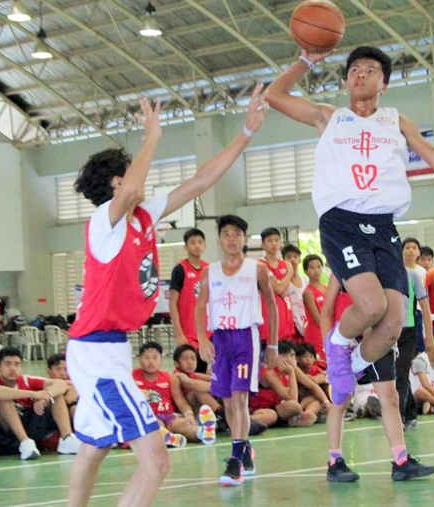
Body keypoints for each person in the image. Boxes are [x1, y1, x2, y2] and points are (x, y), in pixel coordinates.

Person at [265, 45, 434, 404]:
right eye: (355, 69)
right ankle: (338, 345)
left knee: (392, 326)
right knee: (372, 306)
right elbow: (274, 95)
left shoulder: (395, 121)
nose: (361, 74)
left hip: (382, 224)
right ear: (347, 80)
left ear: (384, 84)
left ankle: (354, 365)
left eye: (371, 70)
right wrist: (303, 61)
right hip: (342, 221)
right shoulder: (328, 117)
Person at [65, 87, 268, 507]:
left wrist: (246, 132)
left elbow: (201, 180)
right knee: (157, 462)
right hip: (95, 352)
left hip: (111, 348)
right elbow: (130, 190)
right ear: (117, 181)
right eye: (129, 172)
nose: (139, 178)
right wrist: (151, 138)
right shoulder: (105, 222)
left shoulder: (143, 215)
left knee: (93, 447)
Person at [319, 274, 434, 483]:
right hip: (346, 345)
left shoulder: (383, 265)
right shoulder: (342, 269)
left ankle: (401, 461)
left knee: (391, 398)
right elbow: (326, 310)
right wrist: (329, 349)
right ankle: (334, 461)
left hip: (377, 341)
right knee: (340, 401)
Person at [196, 214, 278, 487]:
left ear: (244, 238)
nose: (231, 239)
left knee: (240, 399)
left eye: (236, 234)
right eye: (226, 234)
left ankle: (234, 461)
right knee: (228, 403)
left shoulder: (257, 269)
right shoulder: (210, 272)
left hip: (246, 338)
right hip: (220, 339)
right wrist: (202, 339)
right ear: (219, 240)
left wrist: (274, 343)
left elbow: (272, 305)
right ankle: (244, 449)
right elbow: (200, 307)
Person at [0, 347, 80, 460]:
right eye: (8, 364)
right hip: (1, 437)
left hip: (29, 431)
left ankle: (67, 439)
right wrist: (33, 394)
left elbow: (61, 383)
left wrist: (47, 396)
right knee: (4, 396)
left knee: (55, 393)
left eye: (17, 364)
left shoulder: (27, 380)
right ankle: (25, 442)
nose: (13, 368)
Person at [132, 342, 213, 446]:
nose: (151, 361)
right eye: (146, 358)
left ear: (161, 359)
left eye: (155, 357)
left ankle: (203, 432)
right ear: (139, 360)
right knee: (156, 425)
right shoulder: (131, 377)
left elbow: (181, 402)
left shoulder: (170, 377)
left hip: (169, 416)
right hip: (148, 417)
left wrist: (189, 415)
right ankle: (168, 437)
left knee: (183, 424)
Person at [397, 259, 432, 428]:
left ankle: (400, 417)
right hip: (387, 331)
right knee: (397, 374)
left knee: (401, 373)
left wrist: (429, 335)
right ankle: (410, 413)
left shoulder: (412, 276)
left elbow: (424, 305)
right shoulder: (380, 275)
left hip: (408, 332)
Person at [169, 228, 209, 372]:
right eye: (192, 242)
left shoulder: (209, 269)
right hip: (188, 334)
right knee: (190, 375)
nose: (197, 245)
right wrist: (179, 333)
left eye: (200, 242)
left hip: (206, 334)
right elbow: (172, 302)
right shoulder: (180, 269)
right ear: (186, 246)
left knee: (204, 372)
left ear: (205, 245)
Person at [258, 227, 295, 344]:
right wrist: (290, 273)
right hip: (268, 320)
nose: (274, 244)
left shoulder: (284, 264)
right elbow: (279, 289)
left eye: (276, 240)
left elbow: (284, 291)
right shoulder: (260, 265)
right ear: (263, 245)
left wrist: (282, 283)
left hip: (286, 319)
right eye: (269, 241)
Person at [301, 254, 327, 358]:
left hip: (328, 330)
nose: (316, 270)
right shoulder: (308, 292)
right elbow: (317, 319)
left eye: (319, 267)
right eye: (312, 268)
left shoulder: (327, 288)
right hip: (316, 333)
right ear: (306, 271)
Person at [283, 244, 310, 342]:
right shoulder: (283, 281)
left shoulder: (306, 280)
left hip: (306, 321)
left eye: (295, 257)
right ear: (283, 260)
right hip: (291, 323)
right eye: (289, 257)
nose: (292, 259)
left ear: (300, 260)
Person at [46, 353, 79, 420]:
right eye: (58, 369)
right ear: (49, 372)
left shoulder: (74, 384)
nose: (62, 373)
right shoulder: (44, 386)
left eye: (66, 369)